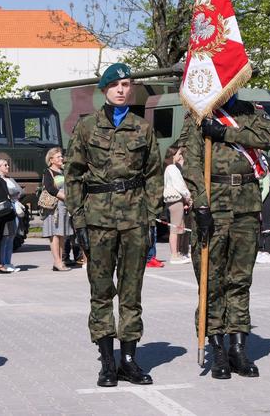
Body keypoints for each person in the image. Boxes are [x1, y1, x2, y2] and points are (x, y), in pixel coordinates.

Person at [65, 63, 163, 387]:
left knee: (132, 292)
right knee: (102, 291)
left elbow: (153, 175)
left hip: (135, 219)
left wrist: (151, 216)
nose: (122, 89)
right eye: (115, 85)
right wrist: (78, 219)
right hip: (98, 220)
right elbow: (74, 175)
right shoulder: (86, 128)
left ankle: (130, 359)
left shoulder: (142, 128)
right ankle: (108, 362)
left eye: (126, 84)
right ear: (104, 90)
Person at [182, 94, 270, 380]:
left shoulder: (252, 111)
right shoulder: (199, 115)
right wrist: (200, 202)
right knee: (212, 280)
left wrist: (224, 133)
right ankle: (217, 348)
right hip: (214, 201)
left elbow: (266, 137)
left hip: (246, 203)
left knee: (240, 280)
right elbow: (192, 163)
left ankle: (238, 348)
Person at [42, 147, 74, 271]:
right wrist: (65, 197)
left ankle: (60, 261)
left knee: (62, 235)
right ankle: (57, 261)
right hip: (54, 207)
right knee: (54, 235)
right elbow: (50, 189)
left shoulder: (63, 171)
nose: (61, 158)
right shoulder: (48, 172)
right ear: (51, 159)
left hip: (64, 206)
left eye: (61, 156)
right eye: (58, 157)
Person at [163, 147, 192, 264]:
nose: (181, 156)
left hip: (175, 200)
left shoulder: (171, 168)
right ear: (172, 155)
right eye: (179, 153)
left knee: (178, 227)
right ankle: (174, 255)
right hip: (176, 200)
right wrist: (188, 197)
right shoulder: (172, 168)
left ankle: (178, 253)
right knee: (175, 229)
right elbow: (179, 185)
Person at [0, 158, 24, 273]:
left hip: (14, 208)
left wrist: (13, 194)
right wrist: (13, 193)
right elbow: (6, 193)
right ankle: (2, 263)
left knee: (12, 236)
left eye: (7, 165)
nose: (8, 167)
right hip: (5, 209)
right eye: (5, 165)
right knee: (5, 237)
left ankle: (8, 262)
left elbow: (21, 191)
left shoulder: (10, 179)